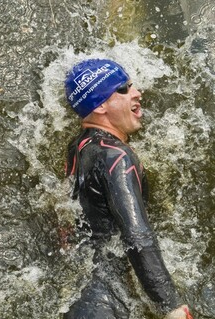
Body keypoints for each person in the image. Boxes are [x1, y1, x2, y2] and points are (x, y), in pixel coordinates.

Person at [63, 59, 193, 319]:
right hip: (106, 303)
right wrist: (170, 305)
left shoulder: (78, 147)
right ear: (99, 105)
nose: (136, 93)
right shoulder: (116, 157)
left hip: (85, 296)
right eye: (123, 89)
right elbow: (137, 236)